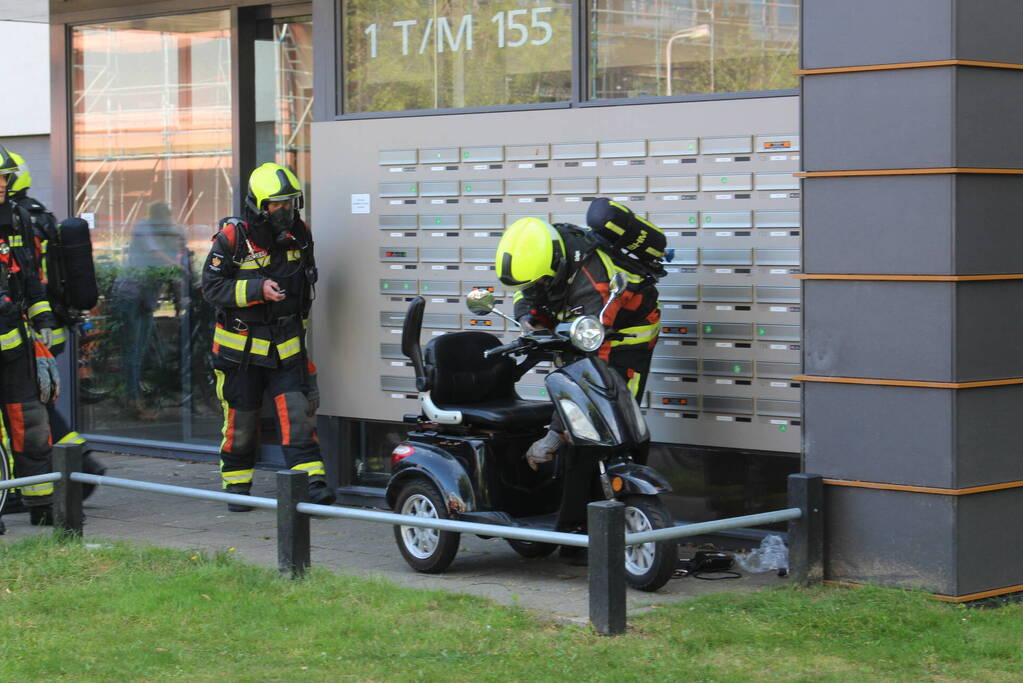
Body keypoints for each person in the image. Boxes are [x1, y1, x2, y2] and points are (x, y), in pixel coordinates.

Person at [494, 212, 661, 562]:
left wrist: (554, 435)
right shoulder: (546, 259)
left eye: (541, 280)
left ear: (555, 264)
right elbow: (527, 294)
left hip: (623, 343)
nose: (536, 285)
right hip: (589, 335)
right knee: (585, 430)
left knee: (612, 421)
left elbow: (589, 365)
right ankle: (578, 527)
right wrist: (528, 319)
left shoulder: (594, 283)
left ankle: (606, 513)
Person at [201, 162, 332, 511]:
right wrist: (257, 289)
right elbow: (211, 288)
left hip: (286, 349)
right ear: (259, 205)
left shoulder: (300, 235)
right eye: (277, 204)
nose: (285, 210)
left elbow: (303, 293)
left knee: (298, 414)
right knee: (241, 422)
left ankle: (312, 485)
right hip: (239, 354)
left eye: (290, 202)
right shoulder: (232, 239)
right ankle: (236, 485)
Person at [6, 151, 107, 487]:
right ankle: (76, 468)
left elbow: (26, 276)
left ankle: (78, 472)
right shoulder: (38, 215)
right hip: (46, 325)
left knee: (32, 412)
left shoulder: (19, 219)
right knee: (37, 409)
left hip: (29, 331)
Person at [0, 146, 60, 530]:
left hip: (16, 345)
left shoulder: (18, 218)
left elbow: (31, 279)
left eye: (3, 177)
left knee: (32, 425)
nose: (1, 184)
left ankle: (42, 503)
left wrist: (43, 321)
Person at [115, 201, 188, 417]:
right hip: (131, 296)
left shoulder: (164, 234)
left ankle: (138, 395)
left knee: (142, 349)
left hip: (146, 299)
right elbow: (155, 254)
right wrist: (178, 267)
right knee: (134, 350)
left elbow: (171, 261)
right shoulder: (144, 228)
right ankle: (132, 400)